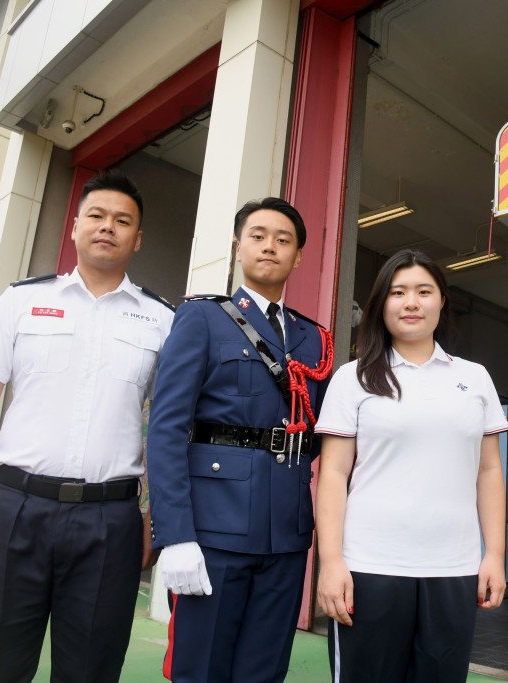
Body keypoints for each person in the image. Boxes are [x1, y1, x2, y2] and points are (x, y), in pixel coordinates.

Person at [0, 171, 175, 682]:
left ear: (138, 238)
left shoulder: (161, 321)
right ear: (76, 226)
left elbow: (162, 428)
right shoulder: (21, 301)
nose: (108, 227)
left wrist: (153, 517)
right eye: (97, 216)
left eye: (122, 220)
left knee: (90, 671)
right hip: (13, 512)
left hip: (110, 522)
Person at [147, 197, 333, 683]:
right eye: (258, 235)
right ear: (238, 247)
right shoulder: (203, 319)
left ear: (298, 257)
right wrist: (175, 535)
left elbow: (322, 438)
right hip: (213, 531)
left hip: (287, 535)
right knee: (202, 669)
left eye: (283, 240)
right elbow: (166, 428)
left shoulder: (313, 339)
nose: (269, 246)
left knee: (264, 670)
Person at [314, 248, 508, 683]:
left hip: (453, 570)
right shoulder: (354, 377)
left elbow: (489, 471)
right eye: (398, 292)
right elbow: (332, 474)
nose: (411, 302)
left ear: (442, 302)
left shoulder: (474, 378)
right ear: (382, 304)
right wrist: (331, 562)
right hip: (370, 567)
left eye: (424, 291)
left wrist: (493, 554)